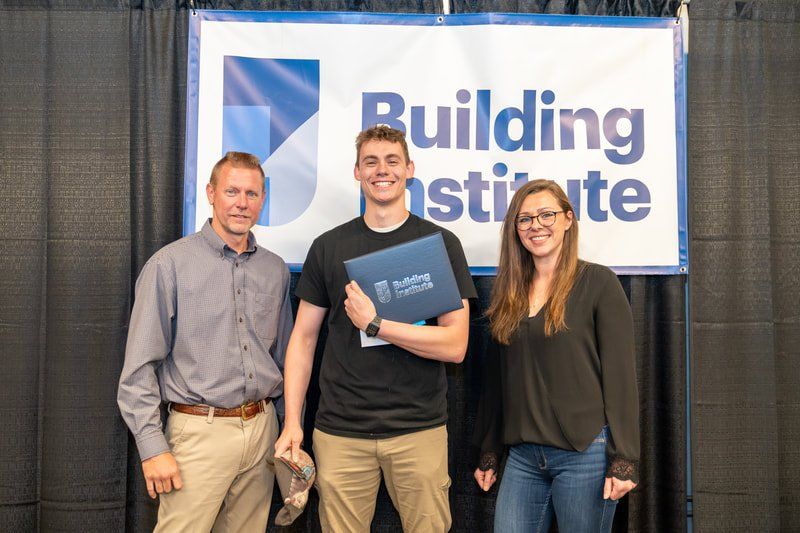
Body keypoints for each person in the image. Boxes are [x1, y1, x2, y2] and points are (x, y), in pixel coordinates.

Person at [274, 125, 477, 532]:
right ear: (356, 172)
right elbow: (303, 338)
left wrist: (377, 324)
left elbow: (455, 345)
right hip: (341, 431)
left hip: (417, 428)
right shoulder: (329, 246)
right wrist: (292, 421)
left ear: (409, 170)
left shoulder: (439, 242)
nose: (381, 170)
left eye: (391, 161)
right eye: (371, 162)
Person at [117, 151, 292, 532]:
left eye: (252, 193)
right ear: (211, 193)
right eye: (232, 191)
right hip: (198, 434)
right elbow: (138, 370)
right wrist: (152, 447)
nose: (242, 203)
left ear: (263, 199)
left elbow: (285, 360)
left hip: (261, 430)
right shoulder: (169, 265)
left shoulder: (275, 270)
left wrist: (288, 427)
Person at [472, 179, 639, 532]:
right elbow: (497, 382)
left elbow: (620, 377)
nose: (536, 225)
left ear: (568, 219)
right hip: (523, 457)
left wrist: (623, 457)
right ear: (515, 229)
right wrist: (489, 449)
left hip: (585, 455)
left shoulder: (598, 283)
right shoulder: (509, 293)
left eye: (547, 214)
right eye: (525, 219)